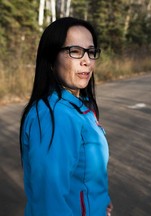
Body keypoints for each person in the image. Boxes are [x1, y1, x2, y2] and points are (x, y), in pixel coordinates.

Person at [19, 17, 113, 216]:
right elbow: (49, 205)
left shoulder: (79, 106)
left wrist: (101, 200)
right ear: (52, 59)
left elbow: (85, 174)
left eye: (91, 51)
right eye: (76, 51)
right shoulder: (56, 116)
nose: (87, 60)